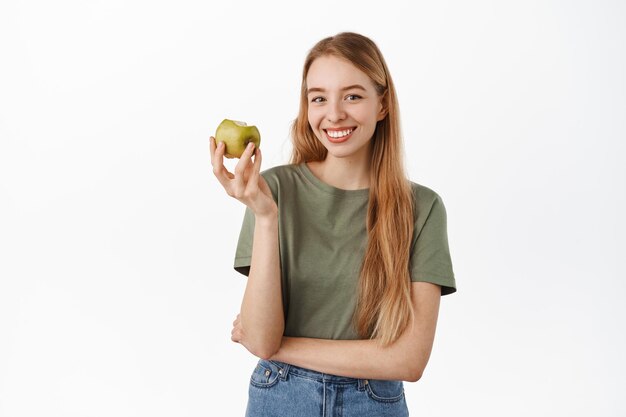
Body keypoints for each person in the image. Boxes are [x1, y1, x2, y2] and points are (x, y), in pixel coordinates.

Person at [209, 31, 457, 417]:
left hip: (374, 404)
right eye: (319, 97)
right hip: (280, 398)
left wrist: (281, 347)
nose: (334, 113)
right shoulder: (272, 190)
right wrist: (265, 217)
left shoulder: (421, 208)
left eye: (353, 96)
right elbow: (259, 335)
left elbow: (409, 360)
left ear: (382, 104)